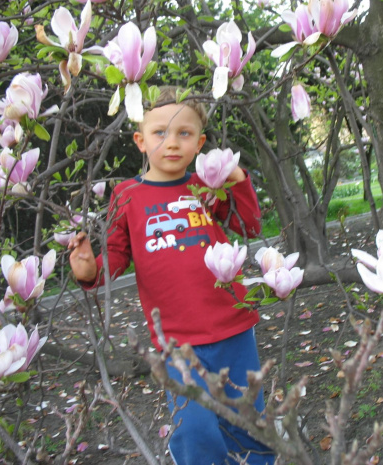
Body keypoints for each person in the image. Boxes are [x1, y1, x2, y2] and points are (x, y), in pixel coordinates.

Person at [68, 86, 275, 465]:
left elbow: (248, 224)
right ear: (140, 141)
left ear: (200, 143)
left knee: (248, 426)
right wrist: (90, 270)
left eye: (185, 133)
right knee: (194, 429)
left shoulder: (207, 185)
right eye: (160, 132)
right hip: (177, 341)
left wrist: (236, 178)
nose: (172, 143)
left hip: (233, 326)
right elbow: (116, 256)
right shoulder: (128, 195)